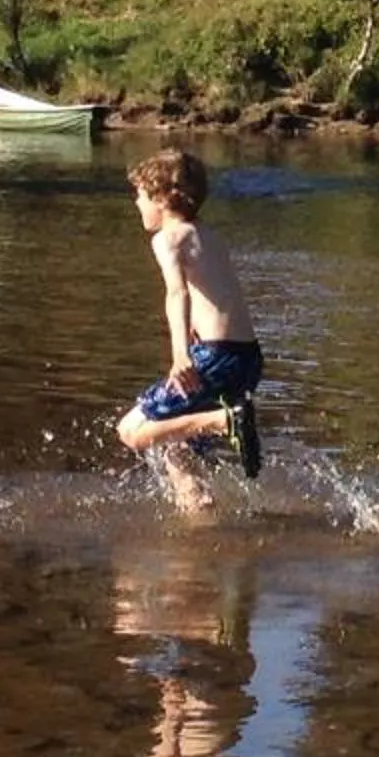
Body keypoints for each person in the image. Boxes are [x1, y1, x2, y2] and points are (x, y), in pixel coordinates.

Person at [115, 148, 265, 513]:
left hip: (215, 355)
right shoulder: (208, 235)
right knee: (177, 448)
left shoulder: (168, 238)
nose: (136, 203)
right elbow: (215, 291)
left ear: (163, 199)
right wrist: (199, 330)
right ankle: (200, 526)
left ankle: (222, 420)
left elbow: (177, 292)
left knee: (132, 432)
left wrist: (181, 354)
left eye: (140, 195)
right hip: (246, 358)